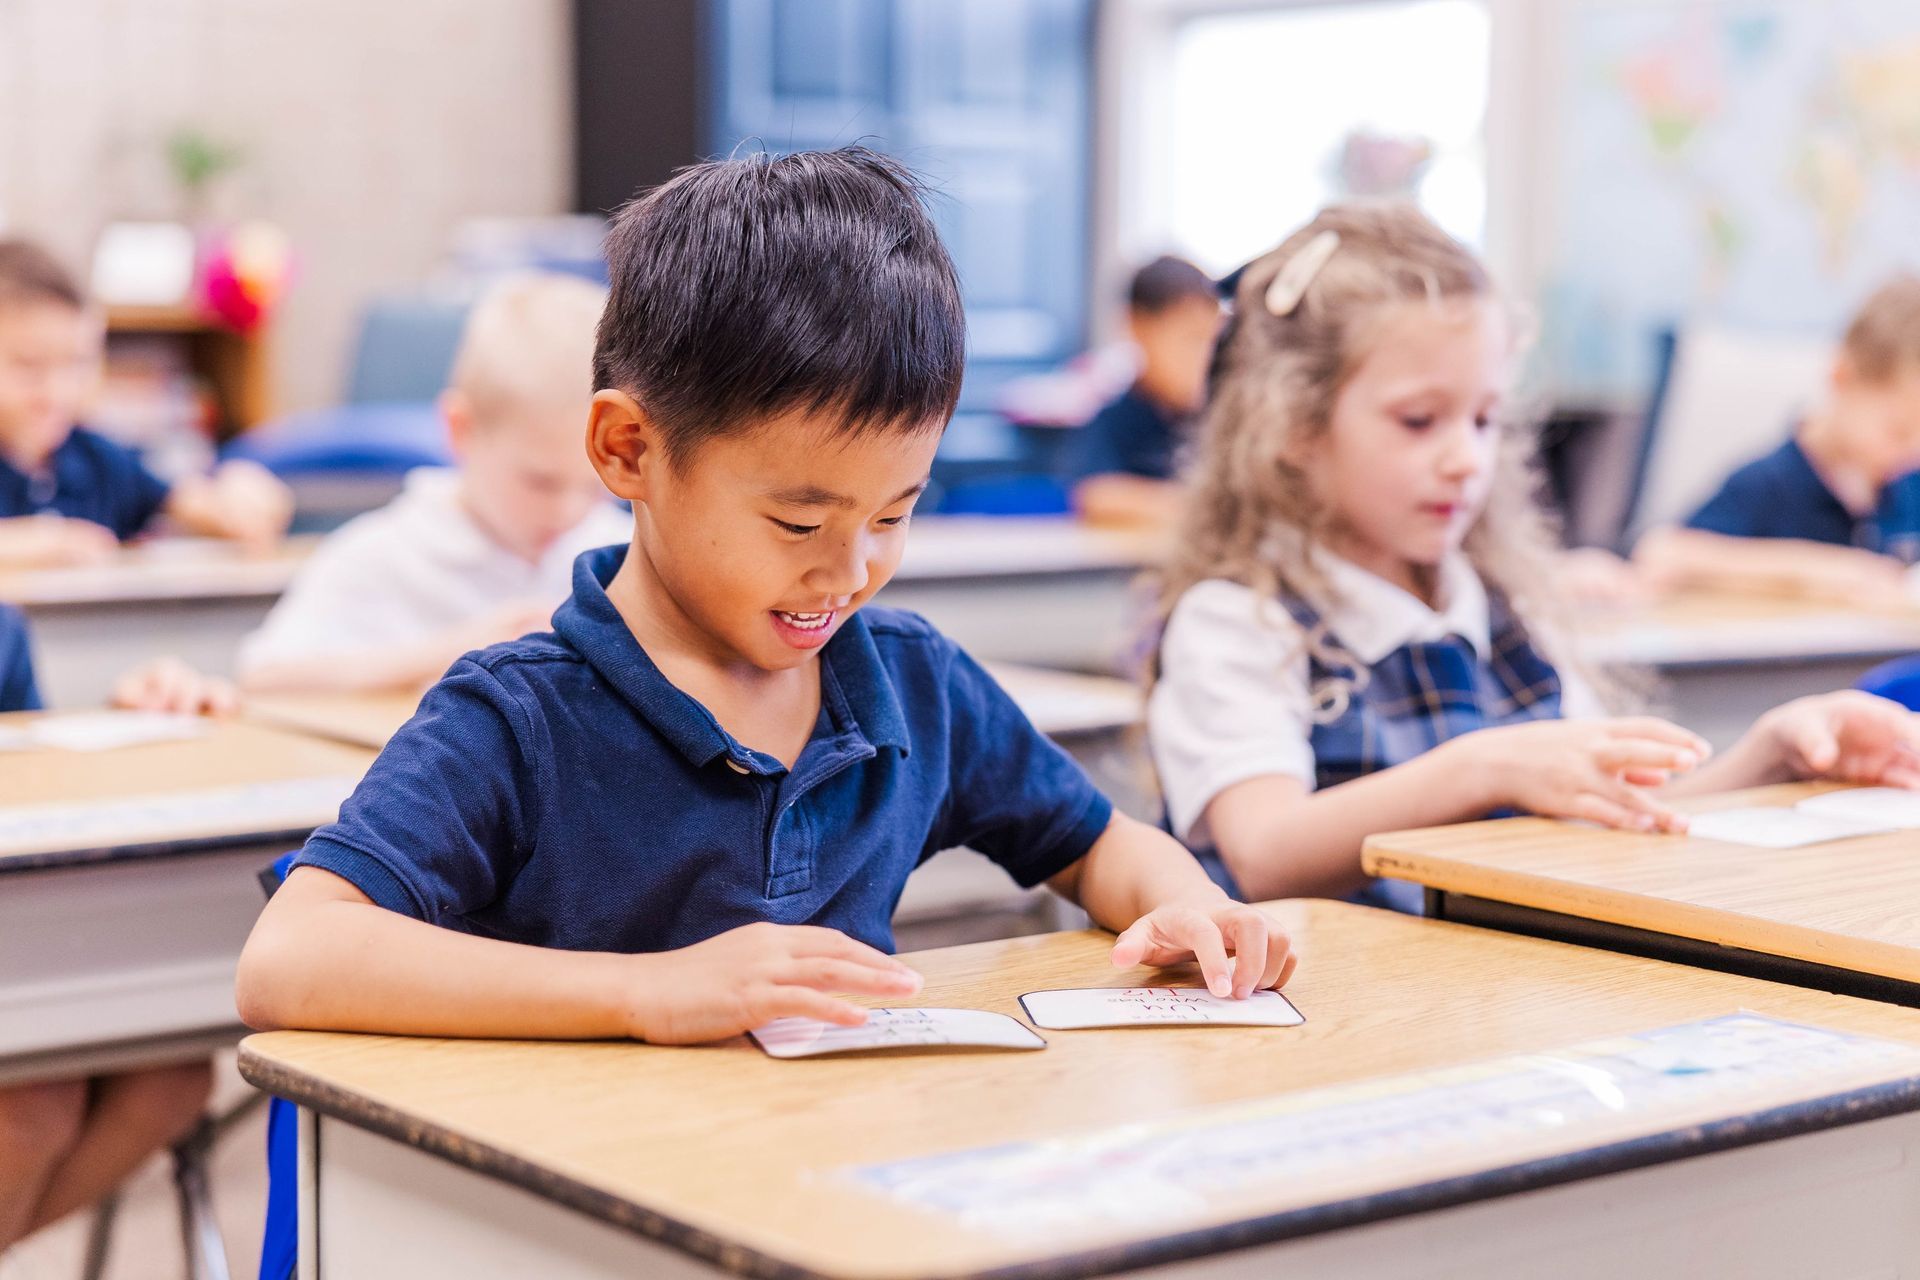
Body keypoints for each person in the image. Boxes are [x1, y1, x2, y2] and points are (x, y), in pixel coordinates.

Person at [235, 147, 1294, 1050]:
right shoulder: (518, 715)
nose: (848, 572)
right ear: (628, 449)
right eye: (798, 523)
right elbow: (291, 954)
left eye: (892, 515)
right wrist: (646, 992)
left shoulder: (908, 680)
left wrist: (1186, 904)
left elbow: (1096, 840)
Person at [1147, 205, 1920, 908]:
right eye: (1420, 421)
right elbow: (1264, 855)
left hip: (1492, 1007)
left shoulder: (1500, 608)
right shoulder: (1239, 620)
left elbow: (1626, 811)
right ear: (1293, 426)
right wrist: (1482, 768)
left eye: (1484, 420)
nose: (1465, 460)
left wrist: (1775, 754)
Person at [238, 273, 626, 693]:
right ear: (461, 430)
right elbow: (263, 679)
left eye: (596, 486)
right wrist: (458, 652)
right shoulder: (382, 556)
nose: (568, 512)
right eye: (540, 482)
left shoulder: (622, 550)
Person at [0, 239, 291, 566]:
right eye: (28, 365)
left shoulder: (101, 461)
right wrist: (39, 542)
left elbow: (194, 502)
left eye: (76, 363)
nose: (57, 391)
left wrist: (237, 497)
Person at [1636, 276, 1920, 603]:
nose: (1912, 453)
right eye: (1898, 431)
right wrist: (1818, 571)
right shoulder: (1768, 483)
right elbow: (1661, 553)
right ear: (1842, 378)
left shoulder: (1909, 482)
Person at [1061, 255, 1223, 528]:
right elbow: (1095, 495)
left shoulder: (1222, 418)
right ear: (1138, 328)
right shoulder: (1117, 420)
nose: (1203, 358)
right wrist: (1193, 505)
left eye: (1212, 341)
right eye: (1189, 339)